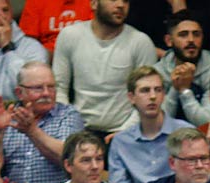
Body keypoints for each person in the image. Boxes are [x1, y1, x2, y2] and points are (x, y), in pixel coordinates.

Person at [51, 0, 157, 136]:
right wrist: (68, 126)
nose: (121, 5)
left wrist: (124, 132)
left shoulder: (141, 42)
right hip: (77, 128)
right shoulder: (70, 36)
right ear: (94, 4)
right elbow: (59, 88)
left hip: (125, 129)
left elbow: (148, 95)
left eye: (125, 1)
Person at [0, 61, 85, 183]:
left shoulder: (68, 115)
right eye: (38, 88)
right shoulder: (8, 116)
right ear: (19, 93)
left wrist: (32, 131)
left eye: (51, 87)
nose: (46, 93)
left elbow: (69, 157)